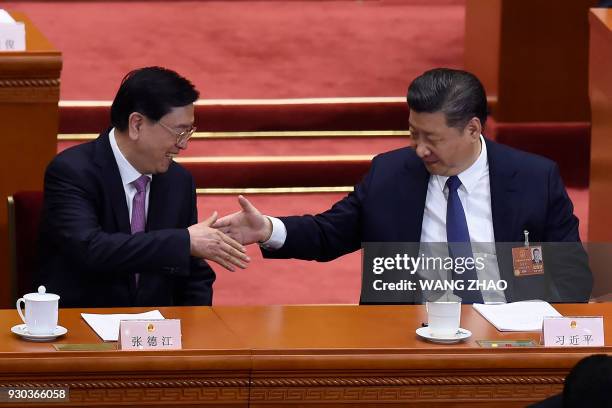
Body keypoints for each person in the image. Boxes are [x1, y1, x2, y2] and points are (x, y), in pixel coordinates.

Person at [214, 68, 592, 304]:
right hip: (412, 333)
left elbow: (572, 276)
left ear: (473, 129)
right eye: (413, 134)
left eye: (432, 138)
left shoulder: (533, 178)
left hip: (507, 334)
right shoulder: (390, 173)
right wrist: (267, 229)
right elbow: (330, 233)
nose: (420, 149)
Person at [38, 66, 249, 307]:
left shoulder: (178, 181)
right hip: (80, 328)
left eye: (189, 132)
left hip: (156, 334)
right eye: (179, 132)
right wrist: (183, 241)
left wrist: (196, 330)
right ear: (137, 124)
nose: (183, 146)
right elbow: (90, 249)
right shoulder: (73, 171)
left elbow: (193, 273)